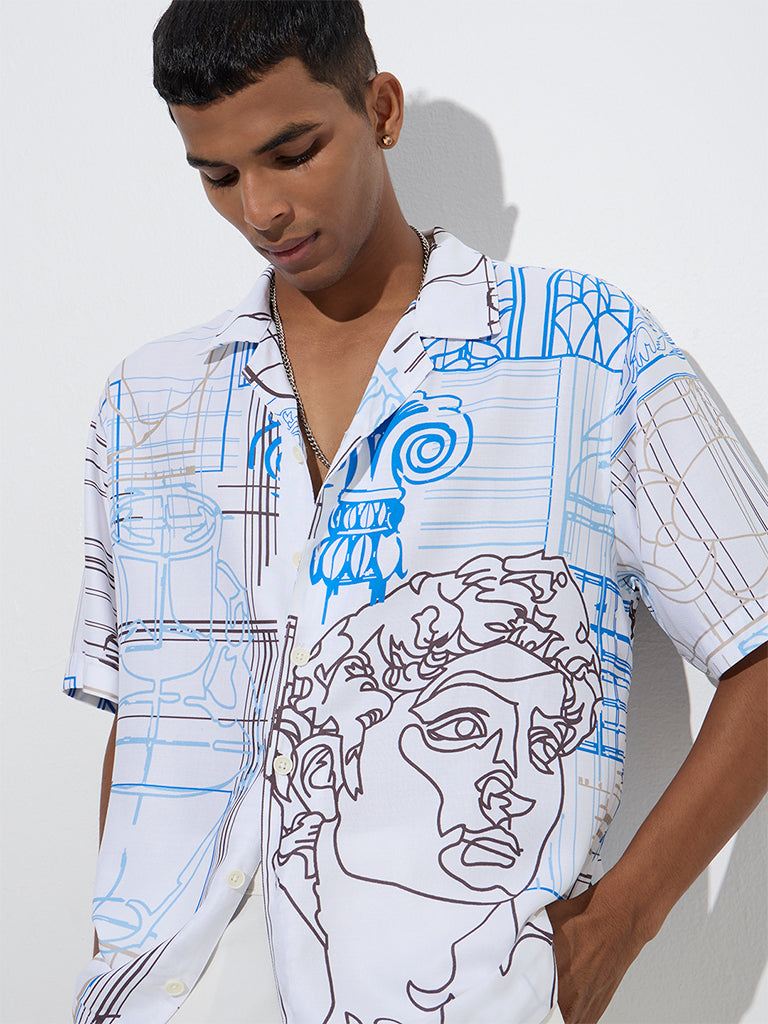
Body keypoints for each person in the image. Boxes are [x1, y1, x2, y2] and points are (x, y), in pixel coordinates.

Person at [64, 2, 767, 1023]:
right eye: (217, 176)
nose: (262, 209)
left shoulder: (583, 353)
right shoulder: (149, 403)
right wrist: (113, 953)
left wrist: (620, 924)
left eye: (293, 153)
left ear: (381, 110)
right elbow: (147, 717)